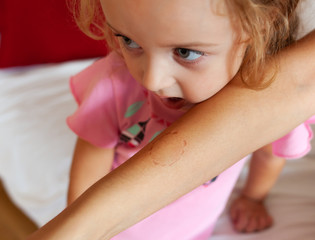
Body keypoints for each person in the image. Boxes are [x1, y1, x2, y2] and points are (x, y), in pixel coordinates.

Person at [27, 2, 315, 240]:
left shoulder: (267, 97)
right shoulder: (113, 85)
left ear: (259, 26)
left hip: (196, 231)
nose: (152, 79)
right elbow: (87, 181)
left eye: (185, 53)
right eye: (129, 41)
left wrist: (253, 198)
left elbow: (268, 155)